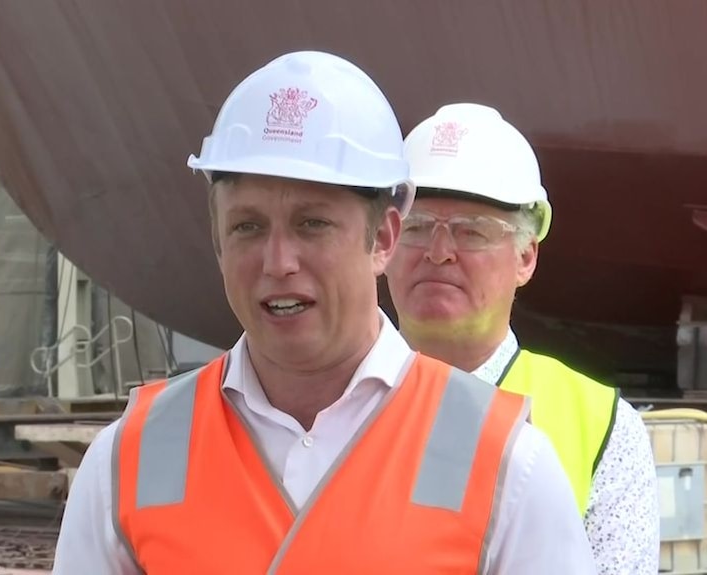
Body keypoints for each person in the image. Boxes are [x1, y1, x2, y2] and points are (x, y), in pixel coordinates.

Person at [52, 52, 596, 574]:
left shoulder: (505, 464)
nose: (278, 262)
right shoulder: (131, 458)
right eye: (248, 226)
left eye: (312, 224)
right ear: (216, 240)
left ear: (382, 237)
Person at [386, 102, 659, 574]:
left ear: (525, 258)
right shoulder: (325, 402)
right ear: (383, 243)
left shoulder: (603, 428)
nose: (438, 252)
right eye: (417, 227)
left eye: (471, 232)